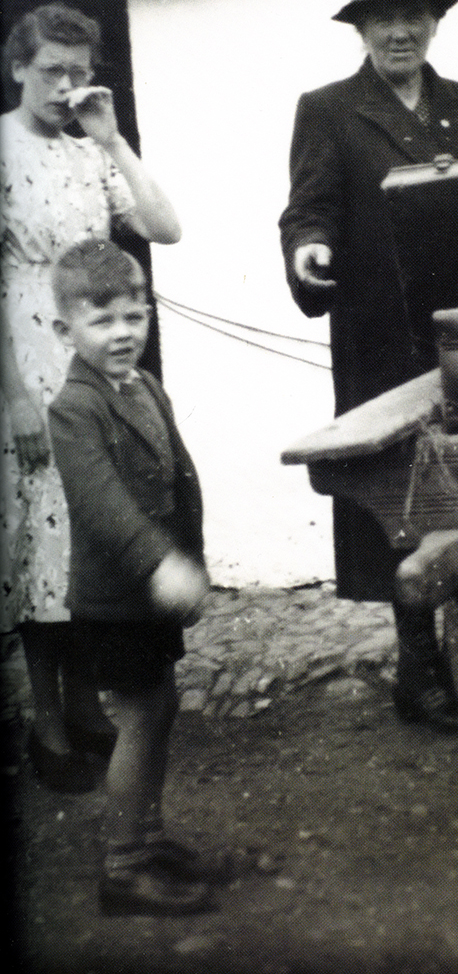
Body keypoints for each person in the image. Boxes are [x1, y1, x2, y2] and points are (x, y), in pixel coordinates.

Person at [279, 0, 458, 729]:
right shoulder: (329, 109)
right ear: (361, 29)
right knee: (402, 494)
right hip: (378, 334)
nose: (399, 31)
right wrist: (307, 249)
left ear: (433, 24)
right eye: (382, 19)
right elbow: (308, 207)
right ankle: (419, 666)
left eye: (412, 16)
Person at [0, 2, 181, 792]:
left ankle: (84, 707)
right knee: (43, 541)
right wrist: (12, 398)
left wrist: (110, 137)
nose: (64, 86)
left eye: (79, 72)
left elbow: (165, 227)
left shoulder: (87, 153)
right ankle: (45, 723)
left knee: (89, 532)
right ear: (17, 67)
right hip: (25, 361)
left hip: (91, 358)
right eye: (50, 71)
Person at [48, 239, 215, 915]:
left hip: (155, 595)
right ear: (66, 329)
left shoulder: (146, 386)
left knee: (162, 706)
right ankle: (123, 869)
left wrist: (194, 557)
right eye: (102, 320)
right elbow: (105, 509)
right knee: (139, 719)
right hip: (116, 599)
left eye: (133, 316)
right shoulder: (73, 410)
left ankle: (146, 838)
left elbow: (181, 477)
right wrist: (162, 562)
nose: (123, 334)